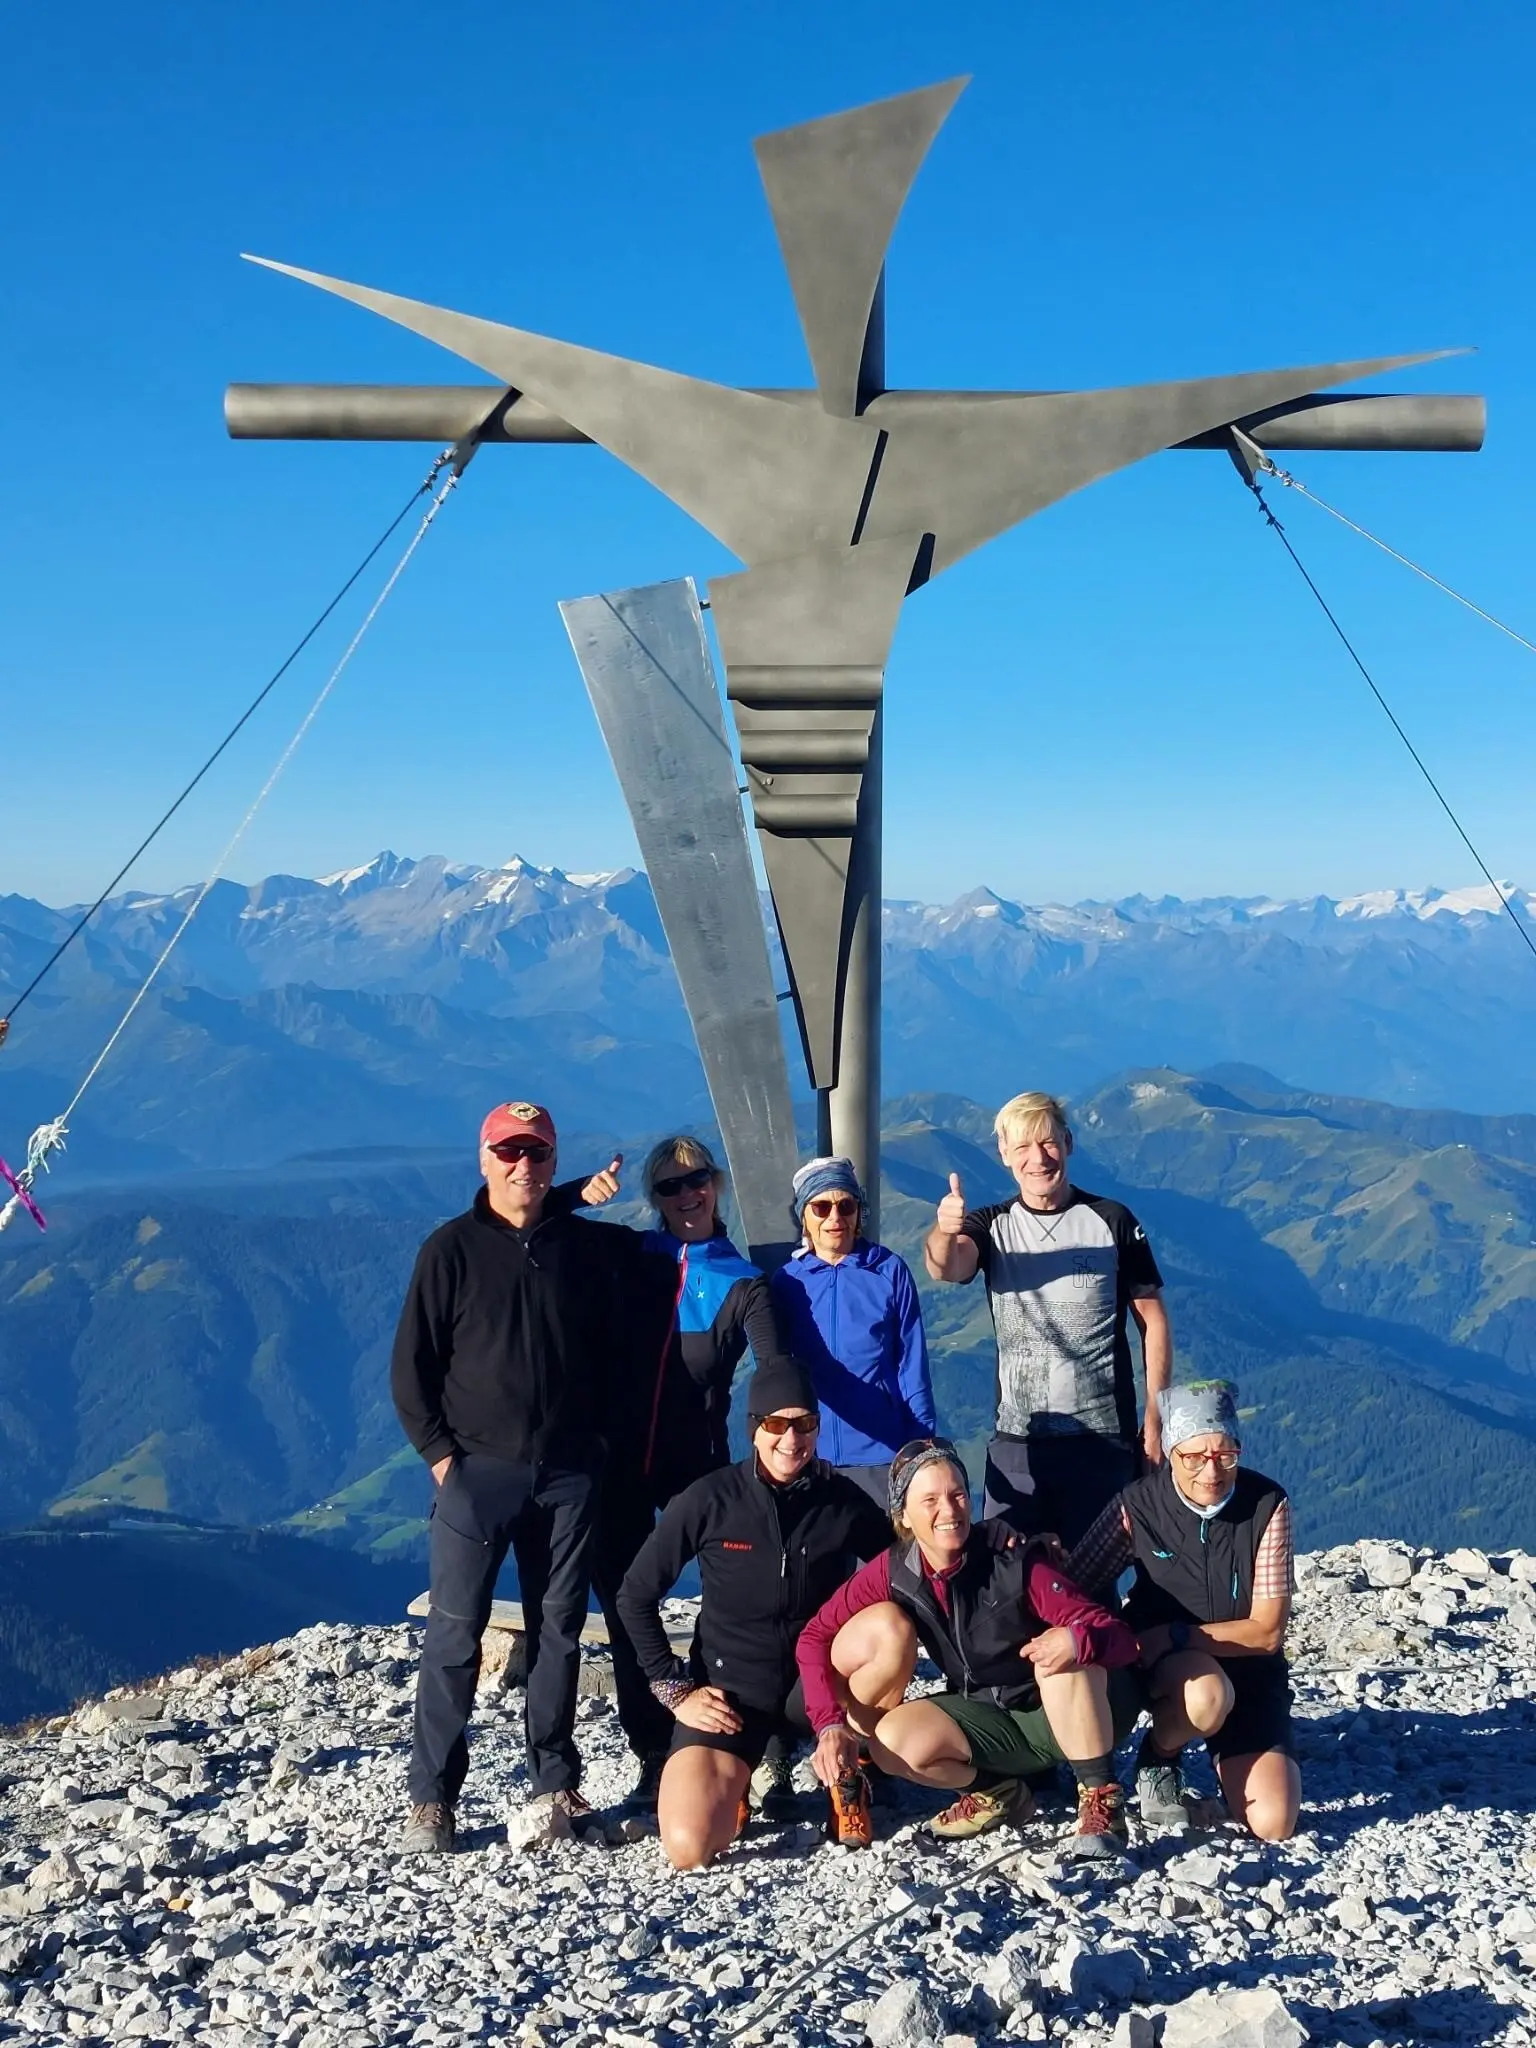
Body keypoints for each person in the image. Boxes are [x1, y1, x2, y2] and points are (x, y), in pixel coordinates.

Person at [390, 1099, 631, 1853]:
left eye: (538, 1153)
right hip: (476, 1474)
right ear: (483, 1158)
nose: (522, 1165)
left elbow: (616, 1352)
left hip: (567, 1474)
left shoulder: (584, 1250)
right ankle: (433, 1797)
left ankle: (554, 1780)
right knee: (454, 1635)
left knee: (559, 1631)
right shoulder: (449, 1250)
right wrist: (440, 1457)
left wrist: (596, 1447)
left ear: (555, 1160)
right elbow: (410, 1368)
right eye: (508, 1152)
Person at [568, 1137, 785, 1809]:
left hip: (700, 1463)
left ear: (717, 1184)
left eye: (697, 1180)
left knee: (736, 1612)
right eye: (668, 1187)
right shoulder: (630, 1257)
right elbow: (532, 1228)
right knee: (631, 1605)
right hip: (620, 1464)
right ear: (654, 1201)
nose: (686, 1194)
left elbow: (773, 1370)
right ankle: (654, 1751)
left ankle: (758, 1749)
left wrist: (783, 1443)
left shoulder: (741, 1282)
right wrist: (576, 1193)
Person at [796, 1438, 1143, 1856]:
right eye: (930, 1500)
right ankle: (998, 1793)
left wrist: (1076, 1639)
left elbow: (1121, 1639)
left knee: (1063, 1649)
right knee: (890, 1741)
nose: (950, 1510)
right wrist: (830, 1724)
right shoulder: (894, 1571)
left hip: (1072, 1712)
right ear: (903, 1514)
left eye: (958, 1494)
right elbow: (815, 1636)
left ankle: (1099, 1797)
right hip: (993, 1718)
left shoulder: (1014, 1562)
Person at [615, 1358, 891, 1869]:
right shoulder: (710, 1499)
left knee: (889, 1630)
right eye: (777, 1424)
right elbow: (634, 1596)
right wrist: (676, 1691)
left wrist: (989, 1541)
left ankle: (850, 1773)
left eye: (805, 1423)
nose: (792, 1438)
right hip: (730, 1694)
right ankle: (740, 1776)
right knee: (688, 1845)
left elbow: (905, 1567)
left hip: (817, 1683)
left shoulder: (841, 1501)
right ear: (754, 1429)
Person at [923, 1090, 1172, 1546]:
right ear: (1004, 1155)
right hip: (1017, 1444)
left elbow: (1153, 1322)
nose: (1038, 1158)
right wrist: (945, 1229)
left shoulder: (1112, 1219)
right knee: (1009, 1581)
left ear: (1069, 1142)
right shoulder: (991, 1224)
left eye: (1048, 1143)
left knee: (1095, 1584)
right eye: (1022, 1147)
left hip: (1102, 1443)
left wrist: (1156, 1421)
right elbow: (947, 1267)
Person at [1067, 1379, 1300, 1842]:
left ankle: (1189, 1751)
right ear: (1171, 1452)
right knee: (1208, 1694)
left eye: (1224, 1455)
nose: (1211, 1471)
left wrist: (1175, 1635)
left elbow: (1268, 1634)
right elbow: (1077, 1583)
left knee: (1274, 1824)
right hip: (1175, 1669)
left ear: (1238, 1448)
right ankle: (1160, 1756)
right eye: (1194, 1457)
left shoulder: (1268, 1505)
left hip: (1245, 1669)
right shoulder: (1139, 1505)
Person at [770, 1156, 936, 1507]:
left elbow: (911, 1363)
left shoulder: (889, 1272)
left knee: (881, 1560)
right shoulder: (786, 1282)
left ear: (859, 1212)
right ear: (803, 1216)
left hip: (883, 1454)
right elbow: (775, 1369)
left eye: (846, 1205)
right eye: (821, 1207)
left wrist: (921, 1442)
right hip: (810, 1453)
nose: (835, 1218)